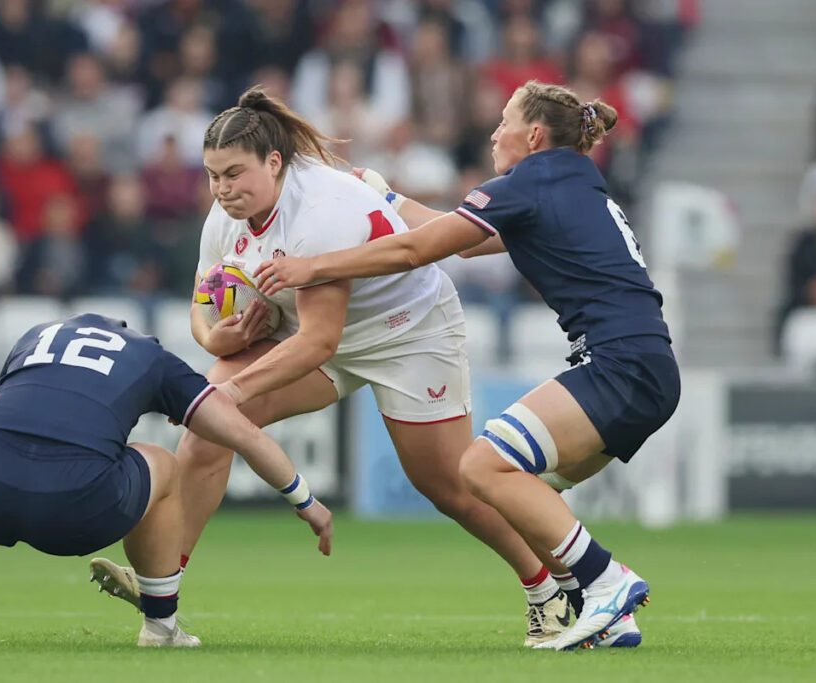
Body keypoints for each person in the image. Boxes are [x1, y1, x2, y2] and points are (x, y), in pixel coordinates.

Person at [94, 86, 579, 648]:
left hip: (408, 331)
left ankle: (549, 589)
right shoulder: (224, 215)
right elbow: (204, 304)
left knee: (449, 486)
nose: (222, 190)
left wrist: (223, 393)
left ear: (274, 162)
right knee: (208, 431)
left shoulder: (319, 212)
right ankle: (162, 596)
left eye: (234, 174)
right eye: (212, 176)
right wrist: (213, 335)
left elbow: (320, 343)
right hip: (312, 333)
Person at [256, 80, 680, 650]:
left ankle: (607, 580)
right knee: (516, 490)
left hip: (618, 364)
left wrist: (313, 268)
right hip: (646, 366)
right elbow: (462, 239)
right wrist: (384, 197)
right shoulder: (571, 182)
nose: (492, 132)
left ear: (532, 135)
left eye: (504, 120)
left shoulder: (529, 179)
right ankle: (605, 613)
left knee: (480, 468)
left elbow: (417, 251)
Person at [0, 313, 333, 648]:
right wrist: (305, 500)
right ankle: (161, 627)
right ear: (131, 334)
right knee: (164, 466)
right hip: (77, 507)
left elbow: (8, 410)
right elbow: (244, 434)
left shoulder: (35, 335)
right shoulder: (150, 356)